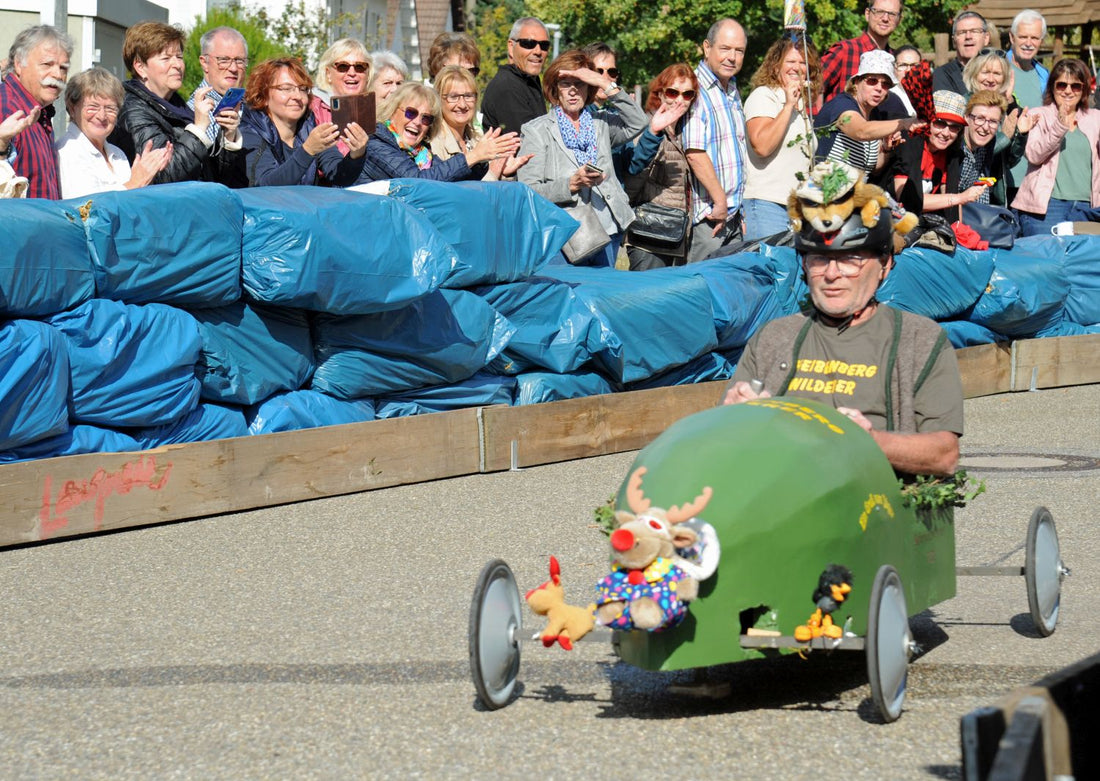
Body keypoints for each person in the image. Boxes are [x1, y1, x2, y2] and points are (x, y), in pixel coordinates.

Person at [724, 162, 963, 477]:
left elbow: (944, 455)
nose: (832, 274)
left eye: (849, 260)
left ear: (885, 265)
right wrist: (732, 416)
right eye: (820, 259)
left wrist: (870, 441)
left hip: (877, 508)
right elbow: (727, 444)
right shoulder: (773, 338)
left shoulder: (920, 340)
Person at [517, 49, 646, 267]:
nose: (573, 91)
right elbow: (528, 190)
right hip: (565, 235)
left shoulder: (600, 122)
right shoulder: (537, 130)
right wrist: (571, 184)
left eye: (580, 84)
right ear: (555, 89)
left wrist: (603, 82)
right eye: (566, 84)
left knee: (602, 295)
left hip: (607, 228)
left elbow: (638, 121)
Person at [110, 21, 245, 187]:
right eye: (166, 58)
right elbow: (164, 176)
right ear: (140, 67)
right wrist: (198, 130)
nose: (177, 65)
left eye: (179, 57)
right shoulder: (133, 112)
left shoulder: (176, 106)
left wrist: (228, 136)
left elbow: (213, 178)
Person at [239, 57, 367, 187]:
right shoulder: (250, 131)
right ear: (264, 96)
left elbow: (339, 176)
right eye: (286, 88)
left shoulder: (309, 127)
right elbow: (266, 185)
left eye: (303, 89)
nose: (297, 96)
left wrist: (357, 154)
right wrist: (308, 150)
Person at [742, 34, 822, 240]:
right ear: (776, 66)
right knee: (768, 270)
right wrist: (787, 106)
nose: (797, 67)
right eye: (791, 61)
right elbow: (762, 146)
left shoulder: (802, 106)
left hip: (796, 210)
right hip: (766, 205)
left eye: (804, 62)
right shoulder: (764, 96)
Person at [620, 63, 699, 269]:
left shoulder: (689, 133)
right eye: (673, 92)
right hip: (650, 237)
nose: (680, 100)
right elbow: (631, 180)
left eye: (687, 94)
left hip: (681, 236)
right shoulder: (646, 128)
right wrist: (653, 135)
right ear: (661, 94)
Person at [683, 18, 750, 261]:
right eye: (725, 48)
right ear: (707, 47)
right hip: (710, 218)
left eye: (739, 51)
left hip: (731, 218)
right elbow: (695, 152)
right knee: (703, 290)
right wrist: (720, 202)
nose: (732, 57)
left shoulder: (731, 89)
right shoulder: (695, 88)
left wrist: (737, 211)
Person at [358, 82, 519, 183]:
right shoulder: (376, 143)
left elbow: (453, 179)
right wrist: (474, 156)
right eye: (411, 113)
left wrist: (484, 162)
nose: (417, 122)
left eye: (426, 118)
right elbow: (417, 181)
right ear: (393, 112)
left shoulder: (421, 153)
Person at [1012, 58, 1100, 235]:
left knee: (1082, 262)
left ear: (1083, 90)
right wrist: (1059, 127)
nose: (1068, 91)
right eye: (1062, 85)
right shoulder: (1039, 115)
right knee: (1043, 262)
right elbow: (1034, 155)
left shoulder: (1096, 118)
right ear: (1052, 87)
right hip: (1047, 208)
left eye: (1075, 86)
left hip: (1087, 208)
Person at [55, 66, 173, 197]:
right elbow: (86, 210)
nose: (102, 116)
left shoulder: (118, 154)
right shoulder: (67, 152)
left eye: (110, 109)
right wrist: (135, 182)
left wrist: (149, 173)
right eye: (93, 107)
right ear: (72, 108)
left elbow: (132, 202)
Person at [892, 90, 1004, 218]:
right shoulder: (910, 142)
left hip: (923, 221)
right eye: (940, 123)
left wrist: (957, 231)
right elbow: (906, 198)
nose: (946, 133)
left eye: (954, 127)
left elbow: (951, 201)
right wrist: (960, 198)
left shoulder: (950, 152)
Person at [814, 50, 924, 179]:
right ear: (856, 82)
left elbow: (874, 168)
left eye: (885, 84)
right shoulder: (842, 105)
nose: (879, 88)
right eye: (872, 81)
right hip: (824, 188)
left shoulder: (875, 114)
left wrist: (886, 149)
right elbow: (861, 131)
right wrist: (905, 123)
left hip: (853, 191)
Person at [0, 24, 72, 199]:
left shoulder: (40, 112)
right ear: (18, 64)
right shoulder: (7, 109)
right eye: (47, 64)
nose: (57, 74)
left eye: (63, 67)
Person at [429, 65, 531, 180]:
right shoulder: (432, 143)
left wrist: (504, 172)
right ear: (438, 99)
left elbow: (486, 180)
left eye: (468, 96)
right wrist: (490, 170)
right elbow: (452, 192)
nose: (462, 104)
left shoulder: (477, 139)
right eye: (453, 97)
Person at [820, 0, 903, 103]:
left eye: (892, 14)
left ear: (899, 20)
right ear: (867, 14)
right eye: (879, 11)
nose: (885, 18)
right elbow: (812, 87)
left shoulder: (897, 61)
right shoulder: (844, 51)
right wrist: (816, 118)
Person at [1006, 10, 1049, 198]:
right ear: (1012, 37)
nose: (1029, 43)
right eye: (1023, 36)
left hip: (1035, 177)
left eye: (1035, 37)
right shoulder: (997, 69)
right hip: (1002, 174)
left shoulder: (1044, 75)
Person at [481, 17, 550, 133]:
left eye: (544, 45)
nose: (538, 51)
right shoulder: (507, 86)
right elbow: (529, 142)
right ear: (510, 47)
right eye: (528, 44)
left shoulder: (528, 81)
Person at [188, 26, 248, 144]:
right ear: (204, 63)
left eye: (239, 60)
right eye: (224, 60)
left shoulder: (255, 108)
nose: (233, 68)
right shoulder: (194, 113)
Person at [933, 11, 990, 95]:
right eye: (962, 32)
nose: (968, 37)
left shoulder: (997, 72)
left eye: (974, 31)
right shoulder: (942, 75)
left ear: (986, 38)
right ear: (954, 41)